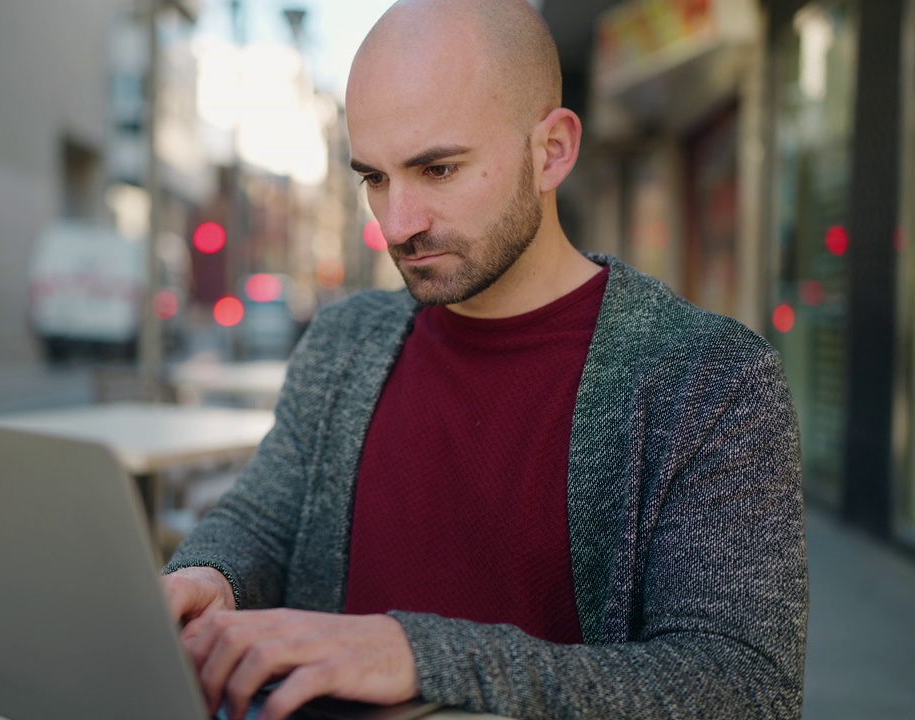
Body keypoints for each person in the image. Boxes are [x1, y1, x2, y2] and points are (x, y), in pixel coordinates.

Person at [161, 1, 807, 718]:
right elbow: (262, 520)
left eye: (437, 168)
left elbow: (746, 689)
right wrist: (207, 574)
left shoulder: (708, 379)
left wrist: (415, 655)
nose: (398, 224)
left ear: (552, 151)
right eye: (374, 178)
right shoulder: (345, 341)